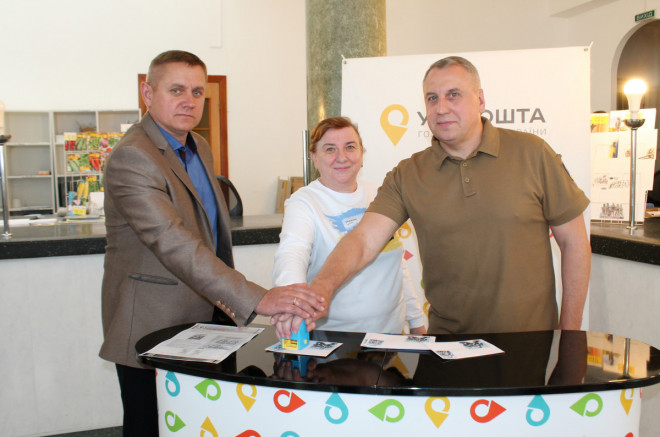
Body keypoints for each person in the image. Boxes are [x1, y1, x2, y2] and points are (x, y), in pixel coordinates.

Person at [276, 56, 590, 337]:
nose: (441, 108)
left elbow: (574, 243)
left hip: (530, 343)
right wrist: (320, 291)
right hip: (448, 347)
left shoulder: (533, 153)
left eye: (453, 95)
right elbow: (362, 242)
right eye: (432, 98)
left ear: (480, 100)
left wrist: (570, 335)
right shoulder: (408, 174)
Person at [99, 50, 324, 436]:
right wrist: (257, 298)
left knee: (196, 422)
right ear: (148, 94)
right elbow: (173, 242)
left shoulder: (198, 146)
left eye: (197, 92)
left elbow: (207, 232)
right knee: (150, 424)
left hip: (206, 317)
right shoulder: (133, 157)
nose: (189, 100)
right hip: (153, 321)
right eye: (176, 90)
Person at [272, 117, 426, 336]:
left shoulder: (379, 194)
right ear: (314, 157)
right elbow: (292, 254)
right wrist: (293, 305)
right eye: (330, 149)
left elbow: (398, 265)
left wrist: (416, 321)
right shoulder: (303, 202)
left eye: (350, 147)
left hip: (391, 336)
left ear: (362, 153)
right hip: (335, 340)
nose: (342, 157)